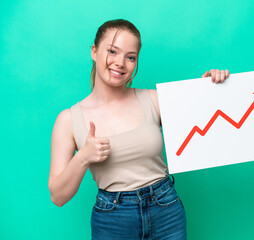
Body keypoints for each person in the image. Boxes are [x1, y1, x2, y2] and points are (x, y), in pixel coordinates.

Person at [48, 19, 230, 240]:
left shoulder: (153, 100)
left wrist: (212, 88)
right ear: (94, 52)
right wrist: (83, 157)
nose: (120, 63)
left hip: (166, 210)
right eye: (112, 51)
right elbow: (58, 196)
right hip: (112, 220)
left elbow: (209, 124)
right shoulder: (68, 120)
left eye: (130, 57)